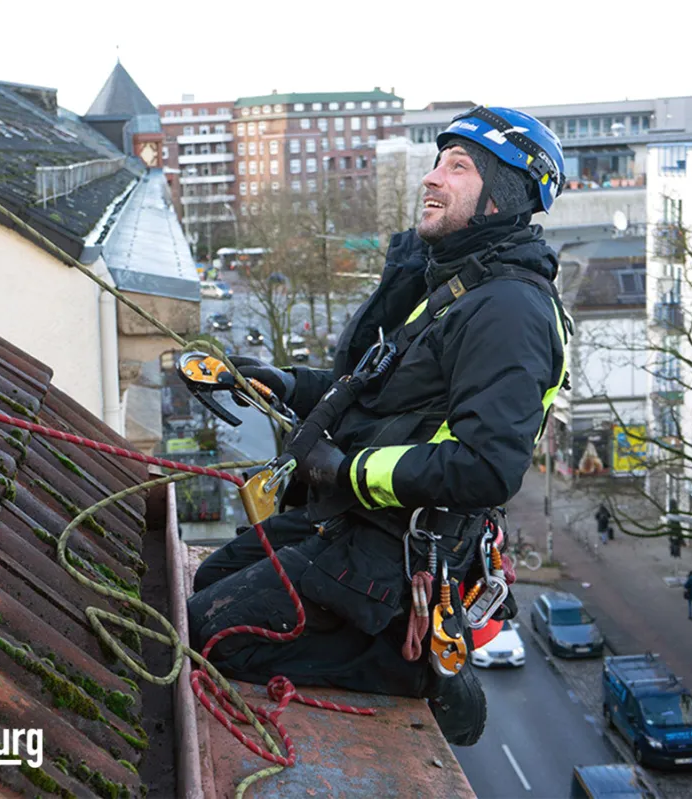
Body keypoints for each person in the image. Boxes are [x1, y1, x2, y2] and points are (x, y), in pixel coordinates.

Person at [187, 107, 571, 748]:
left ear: (503, 195)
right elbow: (374, 394)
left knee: (212, 630)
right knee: (209, 580)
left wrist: (345, 471)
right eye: (435, 161)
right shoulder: (455, 287)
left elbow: (486, 467)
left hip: (390, 560)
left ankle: (406, 665)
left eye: (457, 167)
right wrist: (276, 381)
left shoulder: (508, 309)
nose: (432, 178)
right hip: (349, 525)